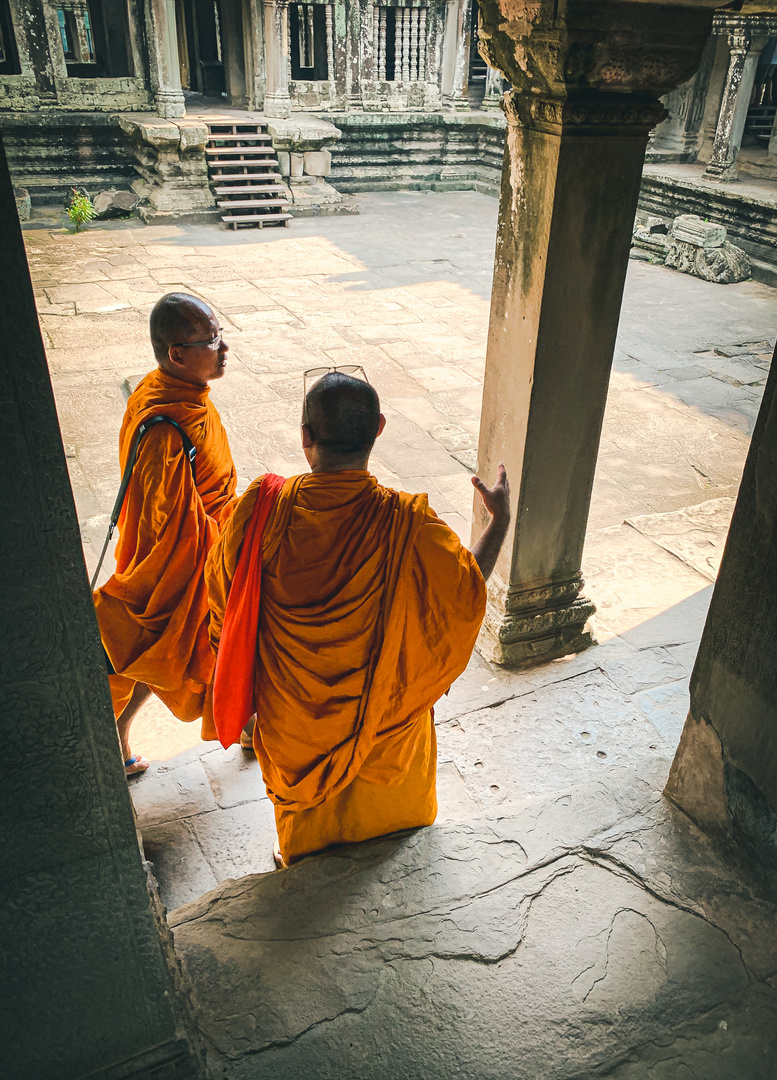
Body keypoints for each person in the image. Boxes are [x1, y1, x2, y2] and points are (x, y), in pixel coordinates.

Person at [205, 369, 509, 866]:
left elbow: (223, 605)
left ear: (305, 437)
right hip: (384, 739)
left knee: (308, 848)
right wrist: (499, 522)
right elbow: (465, 591)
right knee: (393, 837)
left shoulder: (260, 510)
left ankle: (302, 858)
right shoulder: (409, 524)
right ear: (380, 428)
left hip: (295, 731)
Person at [94, 293, 237, 776]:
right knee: (165, 651)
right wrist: (231, 540)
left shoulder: (170, 393)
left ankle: (249, 722)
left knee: (157, 655)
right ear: (178, 354)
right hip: (181, 561)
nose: (225, 348)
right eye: (213, 341)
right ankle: (250, 724)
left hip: (208, 535)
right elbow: (166, 522)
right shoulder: (164, 425)